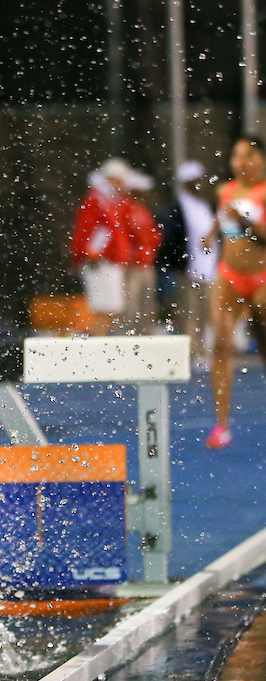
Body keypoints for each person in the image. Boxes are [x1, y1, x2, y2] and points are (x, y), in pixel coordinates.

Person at [207, 137, 266, 449]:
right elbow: (222, 219)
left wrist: (244, 220)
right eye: (236, 155)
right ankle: (221, 425)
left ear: (261, 159)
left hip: (262, 278)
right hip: (229, 274)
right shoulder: (226, 191)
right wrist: (209, 235)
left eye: (247, 156)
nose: (240, 162)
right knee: (220, 344)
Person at [156, 161, 217, 346]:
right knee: (189, 313)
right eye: (196, 180)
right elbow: (171, 238)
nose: (200, 183)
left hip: (209, 270)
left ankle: (201, 350)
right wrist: (177, 264)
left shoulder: (204, 205)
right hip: (189, 270)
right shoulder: (177, 208)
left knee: (205, 314)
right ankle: (191, 352)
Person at [70, 159, 132, 336]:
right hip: (100, 262)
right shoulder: (97, 201)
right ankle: (99, 345)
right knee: (103, 308)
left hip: (109, 261)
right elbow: (93, 228)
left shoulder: (108, 201)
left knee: (111, 308)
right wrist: (92, 253)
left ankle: (102, 342)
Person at [120, 170, 162, 334]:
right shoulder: (126, 208)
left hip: (146, 264)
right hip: (132, 266)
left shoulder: (143, 210)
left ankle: (145, 337)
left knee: (147, 306)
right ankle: (128, 339)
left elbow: (154, 235)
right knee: (131, 306)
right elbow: (123, 234)